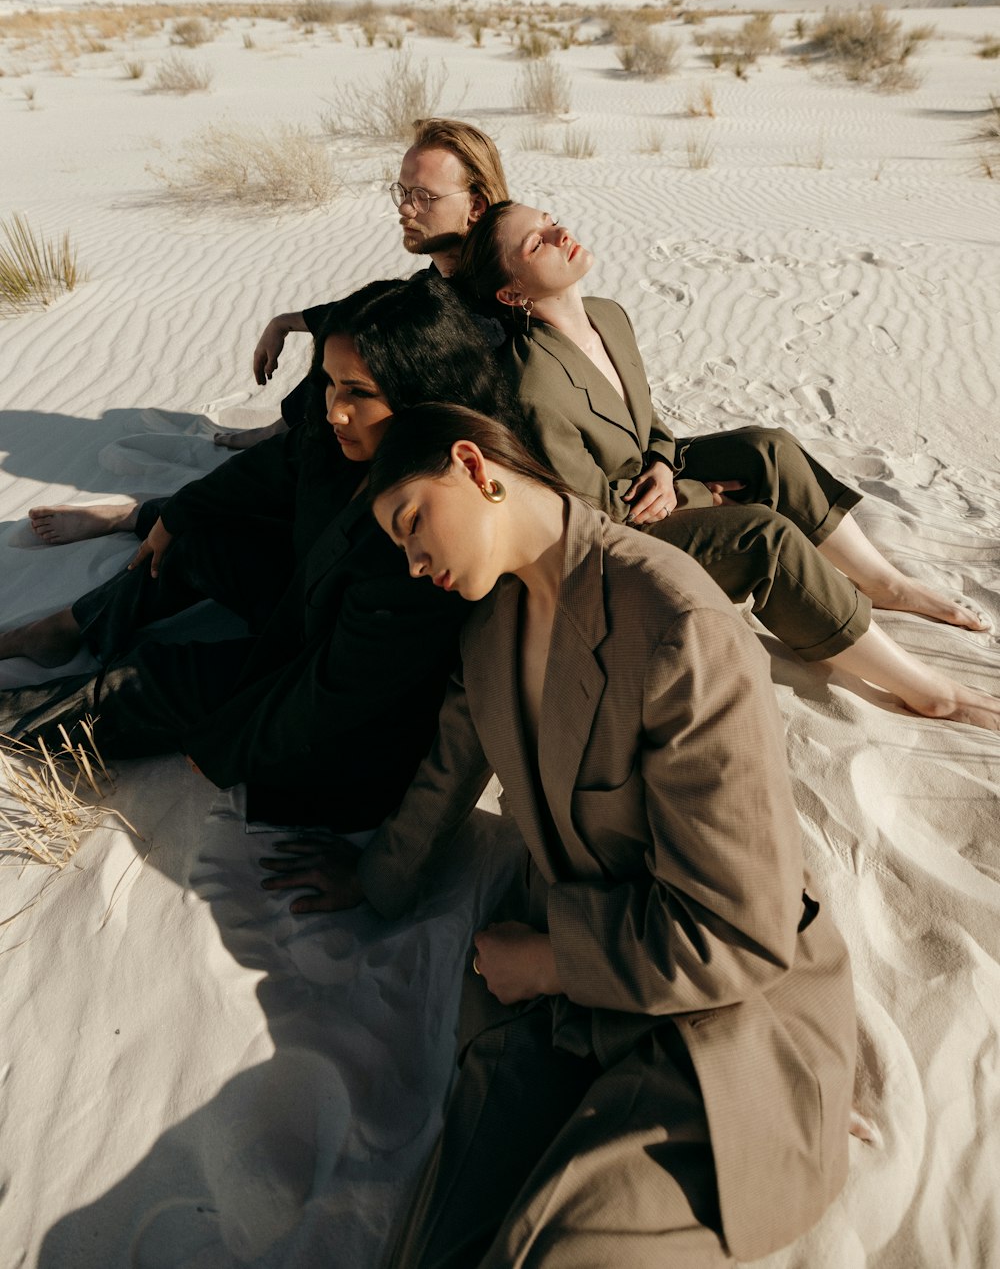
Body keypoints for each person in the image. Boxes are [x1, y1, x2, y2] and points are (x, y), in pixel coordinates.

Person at [263, 403, 857, 1266]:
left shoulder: (677, 623)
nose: (414, 557)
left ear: (474, 465)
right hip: (556, 1018)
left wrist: (545, 959)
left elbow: (738, 931)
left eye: (413, 522)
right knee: (437, 1248)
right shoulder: (489, 630)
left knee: (553, 1252)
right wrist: (373, 877)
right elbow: (446, 775)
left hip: (718, 1022)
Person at [450, 201, 999, 730]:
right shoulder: (531, 385)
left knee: (768, 448)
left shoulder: (607, 316)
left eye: (550, 221)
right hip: (623, 533)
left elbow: (646, 422)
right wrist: (696, 496)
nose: (558, 234)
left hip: (650, 477)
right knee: (764, 536)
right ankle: (928, 693)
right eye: (536, 241)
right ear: (511, 291)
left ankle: (885, 584)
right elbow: (593, 513)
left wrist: (667, 468)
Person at [0, 280, 513, 828]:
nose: (335, 410)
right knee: (197, 540)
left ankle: (12, 718)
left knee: (157, 681)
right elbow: (275, 464)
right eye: (330, 383)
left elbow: (340, 689)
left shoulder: (432, 522)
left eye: (357, 392)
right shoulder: (349, 436)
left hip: (330, 714)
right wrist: (175, 516)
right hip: (308, 605)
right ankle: (70, 627)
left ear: (421, 393)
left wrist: (229, 745)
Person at [27, 118, 510, 545]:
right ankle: (266, 436)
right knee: (339, 354)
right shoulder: (437, 278)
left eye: (423, 197)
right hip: (339, 446)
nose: (405, 209)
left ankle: (140, 516)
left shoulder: (487, 304)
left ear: (476, 206)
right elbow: (366, 312)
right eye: (401, 192)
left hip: (374, 474)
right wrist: (286, 323)